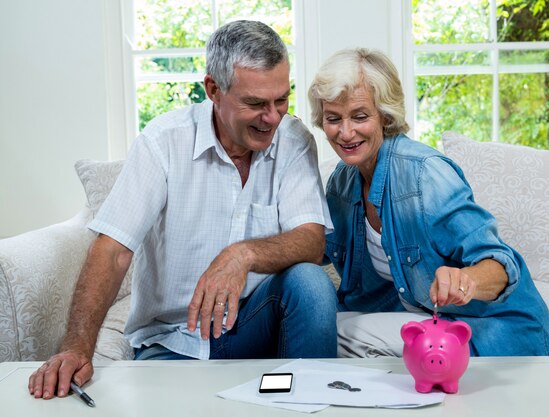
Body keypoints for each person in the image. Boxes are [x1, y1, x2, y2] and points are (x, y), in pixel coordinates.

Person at [29, 20, 337, 400]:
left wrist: (243, 254)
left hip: (257, 330)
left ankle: (313, 403)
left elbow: (311, 241)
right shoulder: (163, 142)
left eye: (281, 100)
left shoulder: (293, 140)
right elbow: (113, 250)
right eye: (256, 103)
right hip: (175, 341)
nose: (273, 117)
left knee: (311, 283)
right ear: (213, 90)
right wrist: (76, 346)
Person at [308, 47, 549, 357]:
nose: (345, 132)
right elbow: (311, 248)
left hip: (488, 329)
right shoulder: (343, 183)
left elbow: (499, 263)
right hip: (425, 323)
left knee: (335, 333)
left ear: (385, 116)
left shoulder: (424, 174)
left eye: (360, 116)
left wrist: (465, 279)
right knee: (313, 322)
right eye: (334, 119)